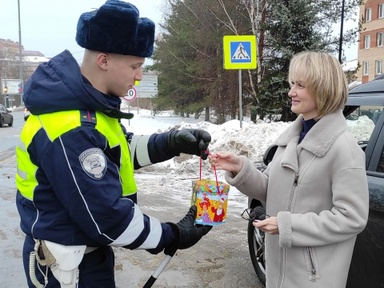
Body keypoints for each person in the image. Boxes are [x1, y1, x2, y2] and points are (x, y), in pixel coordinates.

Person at [15, 1, 212, 287]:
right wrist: (173, 235)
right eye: (135, 65)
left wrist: (169, 143)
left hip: (82, 257)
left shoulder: (87, 109)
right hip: (68, 270)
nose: (139, 75)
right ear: (104, 61)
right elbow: (108, 219)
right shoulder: (72, 129)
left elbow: (114, 155)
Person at [209, 51, 369, 288]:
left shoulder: (344, 149)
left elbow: (352, 218)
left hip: (314, 278)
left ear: (323, 88)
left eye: (300, 85)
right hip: (279, 273)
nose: (291, 92)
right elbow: (271, 189)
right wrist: (242, 169)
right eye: (292, 83)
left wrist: (288, 226)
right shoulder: (292, 139)